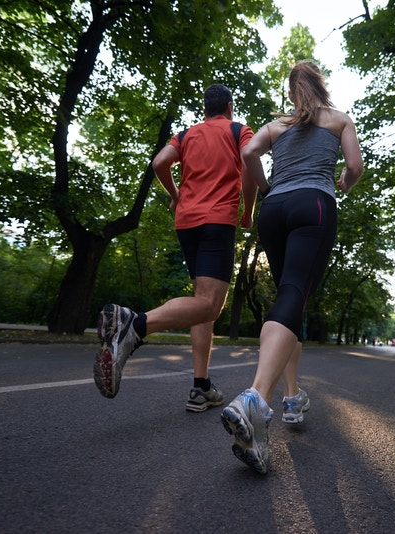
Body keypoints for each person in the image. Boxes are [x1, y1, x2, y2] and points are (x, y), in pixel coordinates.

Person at [220, 61, 363, 474]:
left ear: (291, 91)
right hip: (312, 205)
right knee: (295, 293)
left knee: (288, 297)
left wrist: (264, 187)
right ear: (321, 84)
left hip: (274, 209)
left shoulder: (276, 125)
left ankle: (292, 397)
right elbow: (354, 167)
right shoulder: (338, 120)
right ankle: (255, 399)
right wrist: (342, 185)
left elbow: (247, 152)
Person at [94, 84, 257, 412]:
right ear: (229, 106)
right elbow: (251, 161)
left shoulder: (186, 135)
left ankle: (201, 387)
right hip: (217, 221)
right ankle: (134, 325)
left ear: (205, 109)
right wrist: (248, 211)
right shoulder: (239, 130)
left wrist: (177, 195)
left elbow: (159, 163)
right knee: (211, 305)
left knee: (200, 302)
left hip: (186, 223)